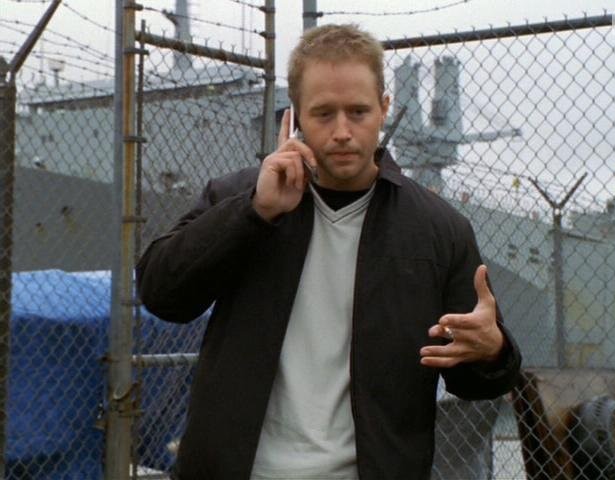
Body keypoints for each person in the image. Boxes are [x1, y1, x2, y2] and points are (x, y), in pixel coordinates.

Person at [136, 23, 521, 480]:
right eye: (323, 114)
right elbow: (162, 293)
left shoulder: (439, 230)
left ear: (384, 108)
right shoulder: (241, 197)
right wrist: (253, 212)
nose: (342, 132)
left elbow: (474, 382)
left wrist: (493, 350)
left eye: (358, 111)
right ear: (296, 115)